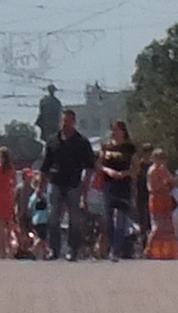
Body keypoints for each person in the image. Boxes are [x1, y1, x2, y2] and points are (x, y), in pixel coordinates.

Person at [43, 110, 96, 260]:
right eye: (64, 121)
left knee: (74, 218)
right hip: (55, 182)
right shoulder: (53, 140)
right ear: (61, 122)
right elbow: (45, 165)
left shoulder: (82, 142)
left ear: (74, 122)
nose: (66, 124)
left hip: (73, 183)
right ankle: (54, 249)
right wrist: (41, 186)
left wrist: (86, 184)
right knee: (53, 217)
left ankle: (73, 250)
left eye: (69, 121)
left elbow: (90, 166)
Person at [95, 120, 139, 258]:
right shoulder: (106, 147)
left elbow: (136, 168)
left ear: (123, 131)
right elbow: (98, 165)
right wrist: (108, 171)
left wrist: (124, 173)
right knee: (108, 219)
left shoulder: (129, 148)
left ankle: (116, 249)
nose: (114, 132)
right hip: (109, 185)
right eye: (113, 130)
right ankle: (111, 245)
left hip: (124, 185)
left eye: (117, 130)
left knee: (121, 219)